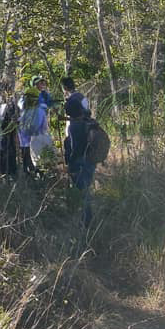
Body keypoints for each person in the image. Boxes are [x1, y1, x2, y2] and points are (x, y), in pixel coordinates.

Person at [63, 97, 95, 235]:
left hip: (79, 162)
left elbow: (74, 148)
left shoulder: (73, 126)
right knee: (86, 188)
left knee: (82, 192)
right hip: (90, 161)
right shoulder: (87, 122)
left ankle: (86, 221)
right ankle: (87, 218)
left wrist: (70, 163)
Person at [18, 88, 48, 176]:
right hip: (36, 141)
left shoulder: (23, 111)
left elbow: (20, 128)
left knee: (26, 159)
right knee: (38, 162)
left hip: (25, 144)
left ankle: (27, 173)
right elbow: (44, 127)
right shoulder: (41, 111)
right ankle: (37, 174)